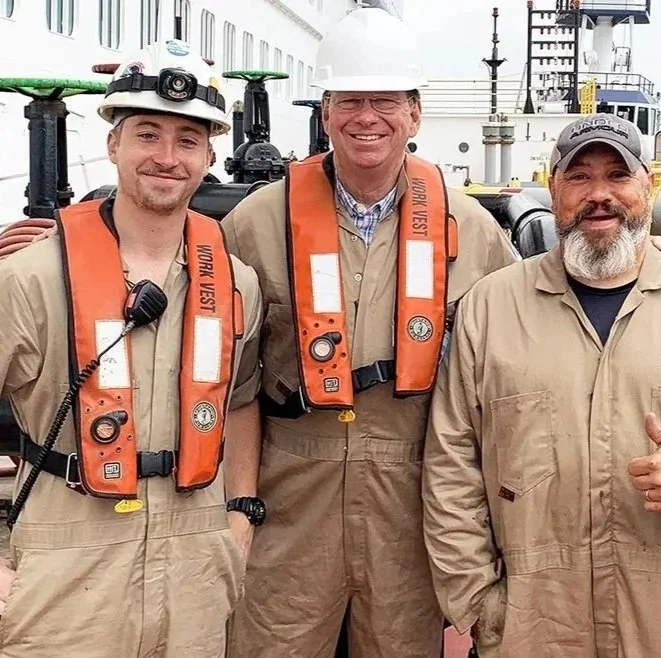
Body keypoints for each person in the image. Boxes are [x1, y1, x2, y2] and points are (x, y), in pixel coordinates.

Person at [422, 113, 661, 655]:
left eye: (617, 175)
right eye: (579, 177)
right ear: (553, 189)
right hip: (536, 627)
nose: (598, 195)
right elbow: (450, 464)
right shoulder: (489, 310)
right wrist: (480, 604)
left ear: (649, 185)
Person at [208, 7, 525, 656]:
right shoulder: (256, 222)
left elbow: (528, 345)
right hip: (290, 501)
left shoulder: (472, 231)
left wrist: (643, 262)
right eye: (349, 100)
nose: (367, 117)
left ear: (415, 114)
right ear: (325, 113)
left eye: (385, 100)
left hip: (411, 506)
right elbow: (220, 370)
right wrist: (238, 506)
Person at [0, 39, 265, 656]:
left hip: (196, 569)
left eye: (187, 140)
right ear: (113, 143)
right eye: (148, 135)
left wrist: (240, 516)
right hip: (67, 572)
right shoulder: (29, 279)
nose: (166, 158)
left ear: (208, 156)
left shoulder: (236, 284)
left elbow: (242, 399)